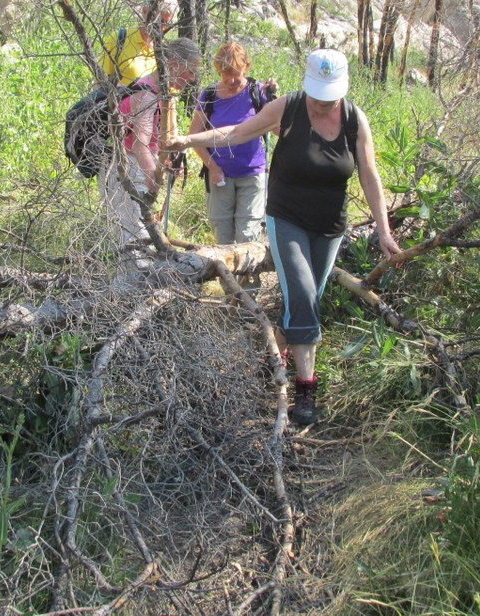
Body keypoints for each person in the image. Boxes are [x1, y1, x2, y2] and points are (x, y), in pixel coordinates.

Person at [163, 48, 402, 425]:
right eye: (319, 94)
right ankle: (305, 391)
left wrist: (385, 232)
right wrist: (190, 141)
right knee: (304, 296)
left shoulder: (356, 119)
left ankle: (275, 353)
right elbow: (238, 132)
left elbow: (370, 177)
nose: (325, 103)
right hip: (286, 218)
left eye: (331, 95)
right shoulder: (287, 109)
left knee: (306, 299)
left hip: (329, 226)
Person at [101, 36, 201, 249]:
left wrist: (169, 161)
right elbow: (140, 145)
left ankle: (137, 278)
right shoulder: (146, 94)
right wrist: (152, 178)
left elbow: (161, 138)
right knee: (133, 236)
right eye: (191, 71)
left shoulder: (163, 93)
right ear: (174, 63)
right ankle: (129, 281)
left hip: (137, 165)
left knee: (143, 235)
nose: (192, 79)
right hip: (127, 166)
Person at [188, 42, 275, 245]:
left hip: (252, 174)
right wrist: (213, 166)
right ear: (219, 70)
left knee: (247, 235)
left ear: (246, 67)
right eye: (226, 73)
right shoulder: (208, 95)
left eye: (237, 73)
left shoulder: (258, 92)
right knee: (223, 237)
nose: (232, 80)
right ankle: (226, 277)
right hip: (220, 175)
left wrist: (272, 98)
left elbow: (277, 127)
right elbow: (194, 135)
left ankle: (247, 277)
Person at [99, 0, 180, 86]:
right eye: (156, 19)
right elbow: (100, 82)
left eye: (165, 22)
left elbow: (170, 93)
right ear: (144, 11)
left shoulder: (165, 52)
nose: (159, 26)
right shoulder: (120, 38)